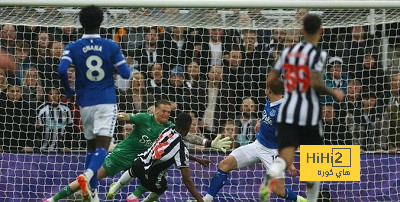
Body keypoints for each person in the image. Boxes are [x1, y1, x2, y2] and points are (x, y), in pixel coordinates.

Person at [45, 100, 231, 202]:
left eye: (168, 112)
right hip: (121, 156)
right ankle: (54, 199)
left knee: (161, 175)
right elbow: (126, 116)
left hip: (142, 161)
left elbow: (186, 138)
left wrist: (208, 143)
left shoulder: (169, 126)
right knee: (90, 177)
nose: (166, 114)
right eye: (163, 111)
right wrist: (112, 116)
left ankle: (130, 196)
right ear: (156, 111)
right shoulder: (144, 118)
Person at [262, 14, 345, 202]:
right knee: (312, 169)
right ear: (321, 32)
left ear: (301, 31)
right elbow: (315, 81)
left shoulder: (287, 52)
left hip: (286, 113)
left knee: (284, 159)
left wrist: (290, 83)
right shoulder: (318, 53)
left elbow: (271, 79)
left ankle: (270, 176)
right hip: (308, 115)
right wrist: (334, 93)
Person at [54, 5, 131, 202]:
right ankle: (87, 177)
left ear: (80, 23)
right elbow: (125, 74)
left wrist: (68, 90)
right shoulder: (111, 46)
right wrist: (112, 64)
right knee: (104, 146)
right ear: (101, 22)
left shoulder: (72, 46)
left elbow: (62, 70)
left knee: (91, 148)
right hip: (106, 101)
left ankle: (94, 196)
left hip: (84, 103)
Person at [197, 84, 306, 202]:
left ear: (269, 90)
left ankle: (302, 200)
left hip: (273, 152)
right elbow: (267, 117)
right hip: (257, 145)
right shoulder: (270, 101)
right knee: (225, 164)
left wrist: (289, 163)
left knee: (279, 191)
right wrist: (260, 122)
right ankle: (206, 200)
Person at [123, 112, 205, 202]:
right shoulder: (181, 148)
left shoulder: (167, 130)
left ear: (175, 122)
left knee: (156, 178)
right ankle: (133, 198)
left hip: (137, 163)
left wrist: (196, 159)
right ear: (189, 127)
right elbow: (187, 180)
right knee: (162, 185)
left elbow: (173, 152)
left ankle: (130, 195)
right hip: (148, 172)